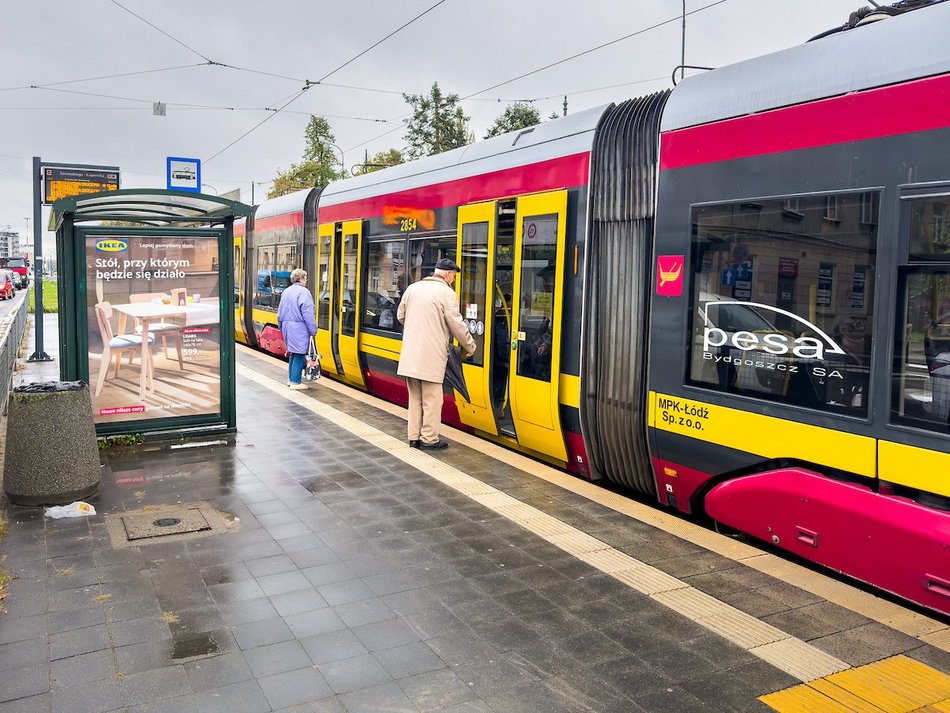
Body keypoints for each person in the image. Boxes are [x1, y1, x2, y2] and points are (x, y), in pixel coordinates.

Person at [396, 258, 476, 450]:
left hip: (410, 355)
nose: (454, 280)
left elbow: (400, 316)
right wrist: (470, 346)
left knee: (415, 399)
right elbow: (457, 325)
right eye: (454, 276)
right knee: (432, 400)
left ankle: (413, 437)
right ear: (447, 275)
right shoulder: (446, 293)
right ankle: (429, 438)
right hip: (431, 357)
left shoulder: (412, 288)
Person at [277, 268, 317, 390]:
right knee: (299, 353)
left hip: (287, 326)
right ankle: (295, 381)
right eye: (305, 278)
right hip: (299, 327)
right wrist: (313, 330)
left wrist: (281, 326)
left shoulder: (286, 291)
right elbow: (308, 314)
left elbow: (279, 313)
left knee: (293, 353)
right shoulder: (304, 292)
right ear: (301, 279)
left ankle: (291, 379)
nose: (306, 280)